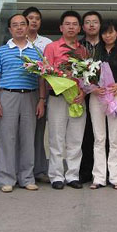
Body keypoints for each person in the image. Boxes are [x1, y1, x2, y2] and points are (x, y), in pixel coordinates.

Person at [0, 14, 45, 193]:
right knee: (7, 138)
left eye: (22, 24)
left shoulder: (36, 51)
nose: (19, 27)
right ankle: (6, 178)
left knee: (28, 139)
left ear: (28, 27)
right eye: (15, 25)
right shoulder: (2, 51)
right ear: (10, 29)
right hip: (8, 96)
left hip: (30, 97)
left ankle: (27, 178)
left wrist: (41, 100)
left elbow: (42, 79)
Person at [44, 11, 86, 189]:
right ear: (61, 27)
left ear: (79, 28)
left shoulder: (83, 50)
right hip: (58, 98)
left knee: (76, 139)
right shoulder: (52, 48)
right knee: (56, 138)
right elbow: (45, 73)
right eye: (67, 24)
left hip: (78, 99)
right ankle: (56, 176)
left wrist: (84, 93)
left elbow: (88, 76)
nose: (71, 27)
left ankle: (73, 175)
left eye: (74, 24)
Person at [90, 21, 117, 190]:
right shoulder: (95, 52)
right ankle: (99, 177)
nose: (108, 35)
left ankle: (114, 177)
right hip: (97, 96)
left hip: (116, 96)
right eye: (105, 33)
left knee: (114, 138)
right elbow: (87, 74)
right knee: (99, 138)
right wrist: (93, 88)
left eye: (111, 32)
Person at [22, 6, 53, 184]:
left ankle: (39, 170)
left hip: (41, 93)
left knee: (38, 133)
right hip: (21, 92)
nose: (33, 21)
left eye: (37, 18)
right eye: (30, 18)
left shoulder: (47, 43)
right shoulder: (14, 41)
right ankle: (21, 170)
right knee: (21, 134)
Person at [79, 10, 103, 184]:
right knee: (85, 133)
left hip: (104, 95)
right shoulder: (78, 46)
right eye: (88, 22)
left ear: (100, 25)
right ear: (83, 26)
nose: (92, 25)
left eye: (95, 22)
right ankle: (85, 171)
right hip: (83, 95)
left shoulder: (107, 44)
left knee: (102, 134)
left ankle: (102, 171)